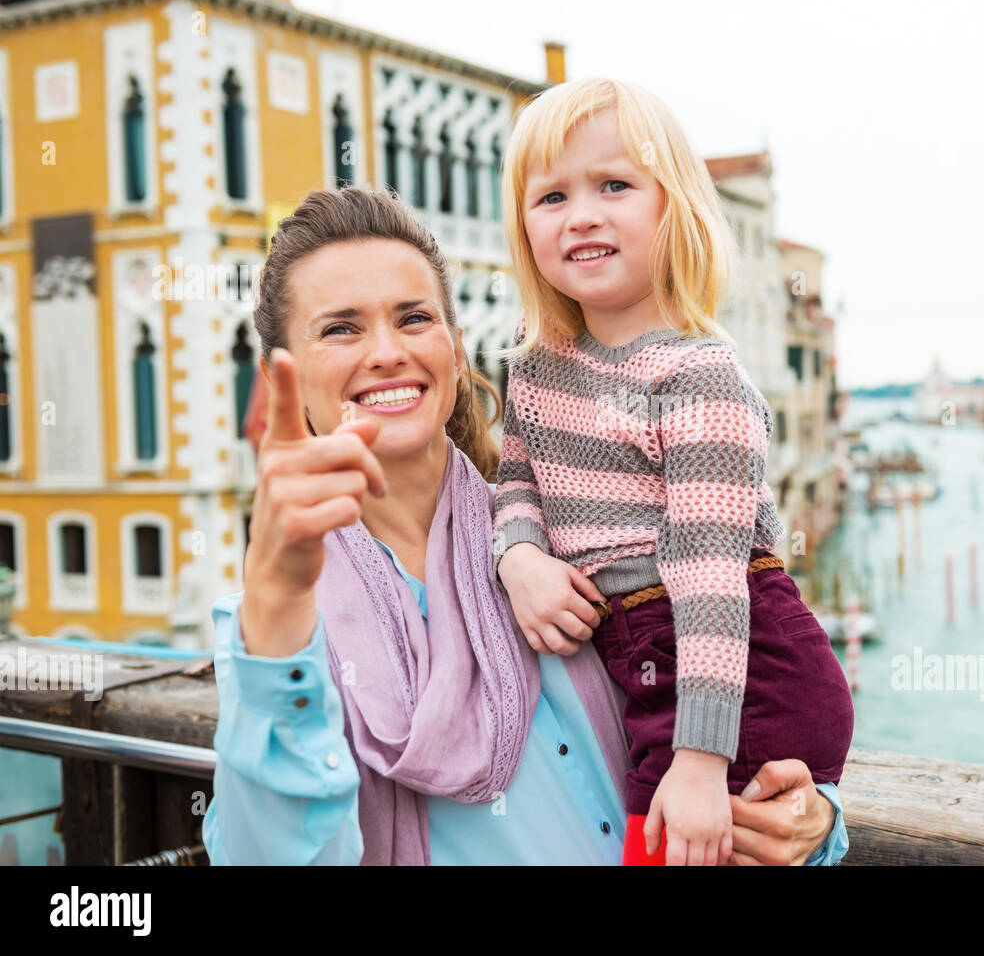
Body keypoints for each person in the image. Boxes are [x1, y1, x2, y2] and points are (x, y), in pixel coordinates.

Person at [201, 186, 849, 865]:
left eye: (413, 318)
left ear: (455, 350)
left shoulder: (574, 539)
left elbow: (734, 694)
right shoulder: (274, 632)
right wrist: (276, 601)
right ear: (285, 376)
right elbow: (259, 854)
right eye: (341, 328)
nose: (387, 351)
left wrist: (813, 823)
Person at [491, 78, 856, 866]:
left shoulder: (700, 379)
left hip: (741, 668)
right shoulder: (535, 365)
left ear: (673, 210)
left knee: (656, 851)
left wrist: (699, 761)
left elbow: (711, 576)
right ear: (524, 228)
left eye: (614, 185)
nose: (582, 213)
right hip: (652, 665)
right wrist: (519, 556)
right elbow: (514, 478)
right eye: (551, 196)